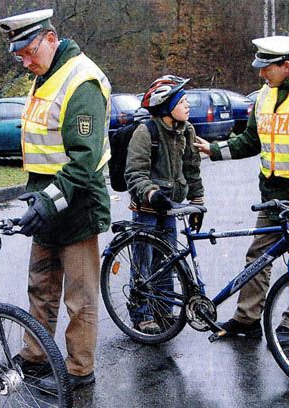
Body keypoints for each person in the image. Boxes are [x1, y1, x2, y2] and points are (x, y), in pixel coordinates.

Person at [0, 8, 111, 391]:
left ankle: (79, 369)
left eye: (29, 51)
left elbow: (84, 161)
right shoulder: (46, 76)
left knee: (80, 296)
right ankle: (35, 357)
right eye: (19, 56)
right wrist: (38, 200)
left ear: (50, 37)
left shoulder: (81, 80)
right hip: (46, 199)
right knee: (40, 285)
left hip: (77, 202)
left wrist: (45, 202)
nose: (25, 62)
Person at [194, 36, 289, 342]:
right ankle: (247, 320)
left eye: (266, 67)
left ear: (287, 65)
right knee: (258, 257)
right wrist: (215, 150)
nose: (260, 74)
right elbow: (250, 141)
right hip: (272, 196)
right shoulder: (264, 95)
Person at [125, 75, 204, 333]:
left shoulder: (186, 130)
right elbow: (135, 173)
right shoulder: (145, 132)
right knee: (144, 262)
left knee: (168, 260)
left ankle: (163, 310)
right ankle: (142, 314)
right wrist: (151, 193)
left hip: (170, 205)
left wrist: (197, 199)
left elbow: (192, 168)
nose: (187, 105)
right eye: (182, 101)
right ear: (165, 106)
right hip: (147, 208)